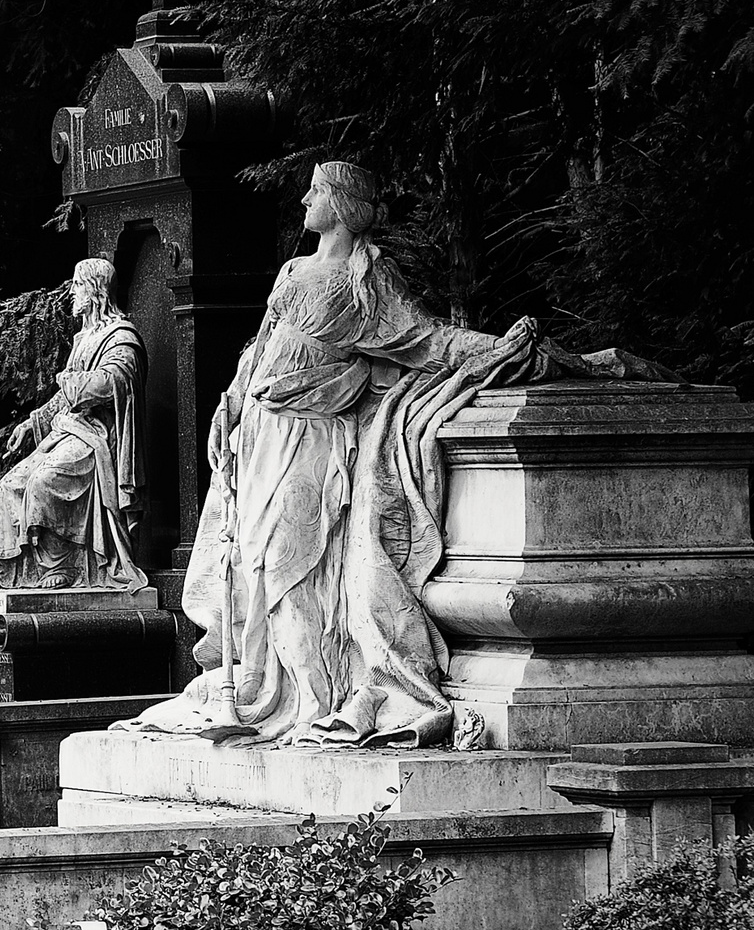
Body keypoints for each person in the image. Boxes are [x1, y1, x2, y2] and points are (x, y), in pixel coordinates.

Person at [119, 161, 540, 746]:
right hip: (259, 435)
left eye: (315, 192)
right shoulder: (293, 272)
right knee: (255, 563)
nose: (304, 203)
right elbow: (258, 350)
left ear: (340, 204)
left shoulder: (366, 280)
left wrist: (500, 347)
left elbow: (425, 339)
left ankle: (311, 694)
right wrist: (229, 406)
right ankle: (266, 683)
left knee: (292, 559)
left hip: (313, 437)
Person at [0, 258, 150, 592]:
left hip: (98, 436)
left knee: (44, 482)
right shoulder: (84, 337)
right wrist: (32, 423)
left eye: (77, 285)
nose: (72, 292)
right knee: (10, 484)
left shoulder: (122, 337)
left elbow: (114, 381)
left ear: (95, 290)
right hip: (69, 429)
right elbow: (63, 397)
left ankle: (63, 565)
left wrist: (72, 382)